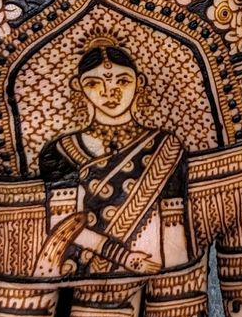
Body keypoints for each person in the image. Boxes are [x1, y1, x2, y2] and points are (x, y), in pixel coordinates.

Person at [36, 41, 190, 278]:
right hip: (81, 272)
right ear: (78, 86)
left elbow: (173, 222)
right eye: (94, 83)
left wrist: (176, 281)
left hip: (151, 269)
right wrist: (123, 256)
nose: (110, 92)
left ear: (140, 81)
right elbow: (64, 225)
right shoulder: (61, 151)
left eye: (123, 81)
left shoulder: (166, 146)